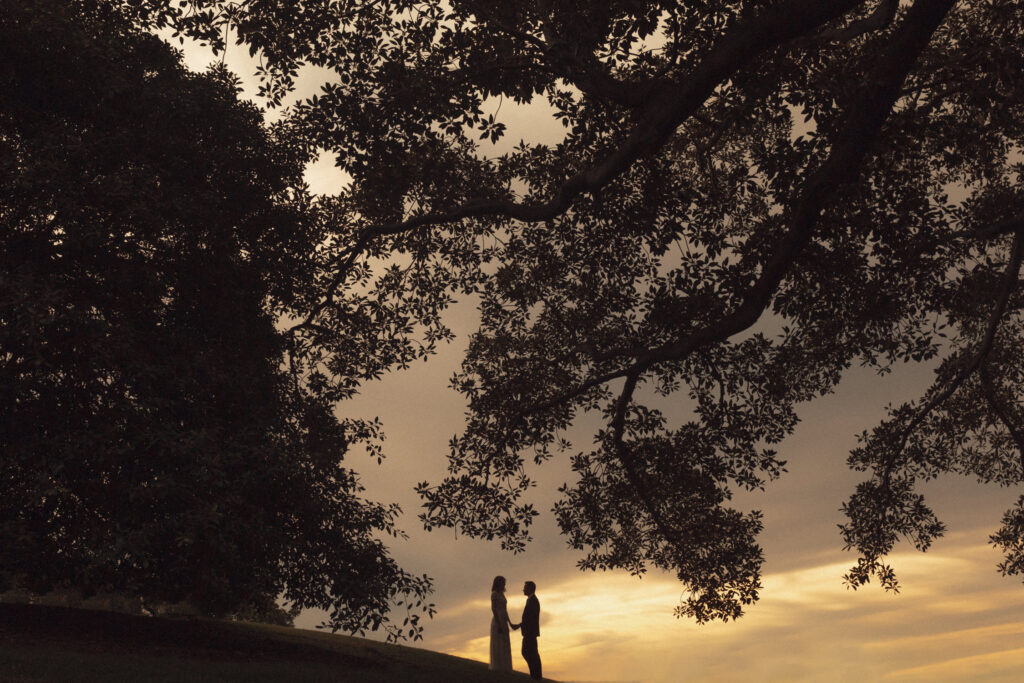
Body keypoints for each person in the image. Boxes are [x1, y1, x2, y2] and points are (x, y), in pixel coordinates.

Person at [512, 580, 542, 680]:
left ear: (530, 589)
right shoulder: (531, 600)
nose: (523, 589)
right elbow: (528, 618)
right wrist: (520, 625)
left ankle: (535, 676)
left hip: (530, 633)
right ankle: (535, 675)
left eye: (525, 587)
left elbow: (530, 618)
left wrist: (520, 626)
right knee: (530, 653)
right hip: (529, 632)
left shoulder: (533, 600)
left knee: (528, 652)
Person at [489, 575, 514, 672]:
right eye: (503, 582)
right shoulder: (494, 594)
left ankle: (505, 667)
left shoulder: (502, 594)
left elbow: (505, 610)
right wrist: (499, 624)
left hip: (504, 620)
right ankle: (497, 666)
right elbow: (494, 609)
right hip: (497, 620)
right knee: (498, 643)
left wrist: (510, 623)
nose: (504, 584)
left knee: (505, 643)